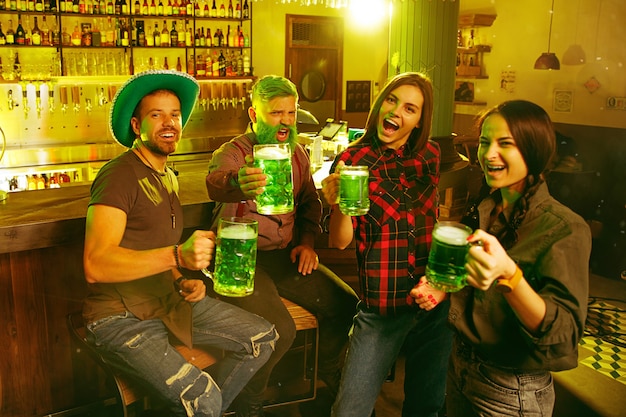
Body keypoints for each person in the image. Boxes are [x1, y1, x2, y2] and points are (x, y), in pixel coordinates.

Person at [82, 70, 278, 417]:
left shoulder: (167, 177)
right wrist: (177, 255)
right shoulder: (118, 175)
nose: (168, 122)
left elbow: (149, 245)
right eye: (156, 115)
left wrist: (181, 279)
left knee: (261, 339)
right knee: (203, 398)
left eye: (174, 114)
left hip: (166, 303)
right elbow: (96, 265)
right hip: (119, 318)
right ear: (135, 124)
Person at [206, 75, 359, 417]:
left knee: (347, 305)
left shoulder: (298, 154)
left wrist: (307, 243)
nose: (286, 122)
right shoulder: (233, 153)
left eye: (291, 113)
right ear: (253, 113)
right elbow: (217, 183)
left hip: (285, 256)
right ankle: (250, 407)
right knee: (278, 331)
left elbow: (309, 204)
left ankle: (324, 384)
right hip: (241, 259)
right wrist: (239, 181)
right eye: (277, 113)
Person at [442, 100, 591, 416]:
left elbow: (564, 335)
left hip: (511, 391)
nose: (489, 154)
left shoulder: (564, 227)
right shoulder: (487, 208)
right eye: (485, 142)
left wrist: (510, 275)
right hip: (460, 369)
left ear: (533, 151)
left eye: (504, 144)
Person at [320, 72, 453, 417]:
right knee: (350, 409)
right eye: (392, 101)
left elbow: (432, 220)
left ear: (420, 120)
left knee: (427, 406)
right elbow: (339, 240)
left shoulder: (430, 156)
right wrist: (337, 204)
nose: (396, 111)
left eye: (410, 108)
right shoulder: (352, 160)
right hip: (382, 306)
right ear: (381, 104)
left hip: (432, 302)